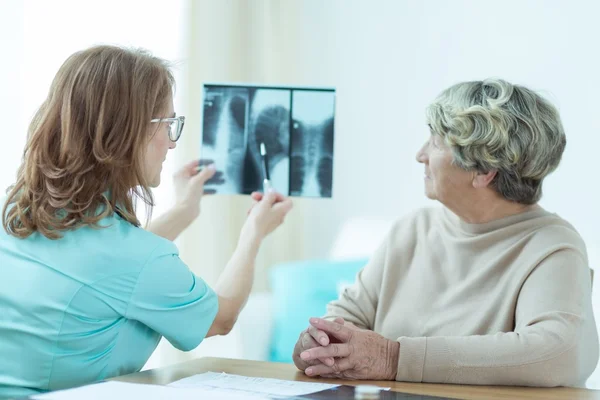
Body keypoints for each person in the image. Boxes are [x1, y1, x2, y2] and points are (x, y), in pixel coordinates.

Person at [0, 45, 293, 397]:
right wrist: (253, 234)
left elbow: (103, 268)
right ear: (124, 132)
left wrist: (185, 211)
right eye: (168, 124)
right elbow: (221, 317)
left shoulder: (19, 209)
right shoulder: (134, 258)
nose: (171, 144)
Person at [292, 79, 598, 387]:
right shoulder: (411, 230)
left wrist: (394, 359)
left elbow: (559, 353)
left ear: (483, 171)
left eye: (437, 141)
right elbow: (345, 317)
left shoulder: (552, 246)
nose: (421, 154)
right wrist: (321, 342)